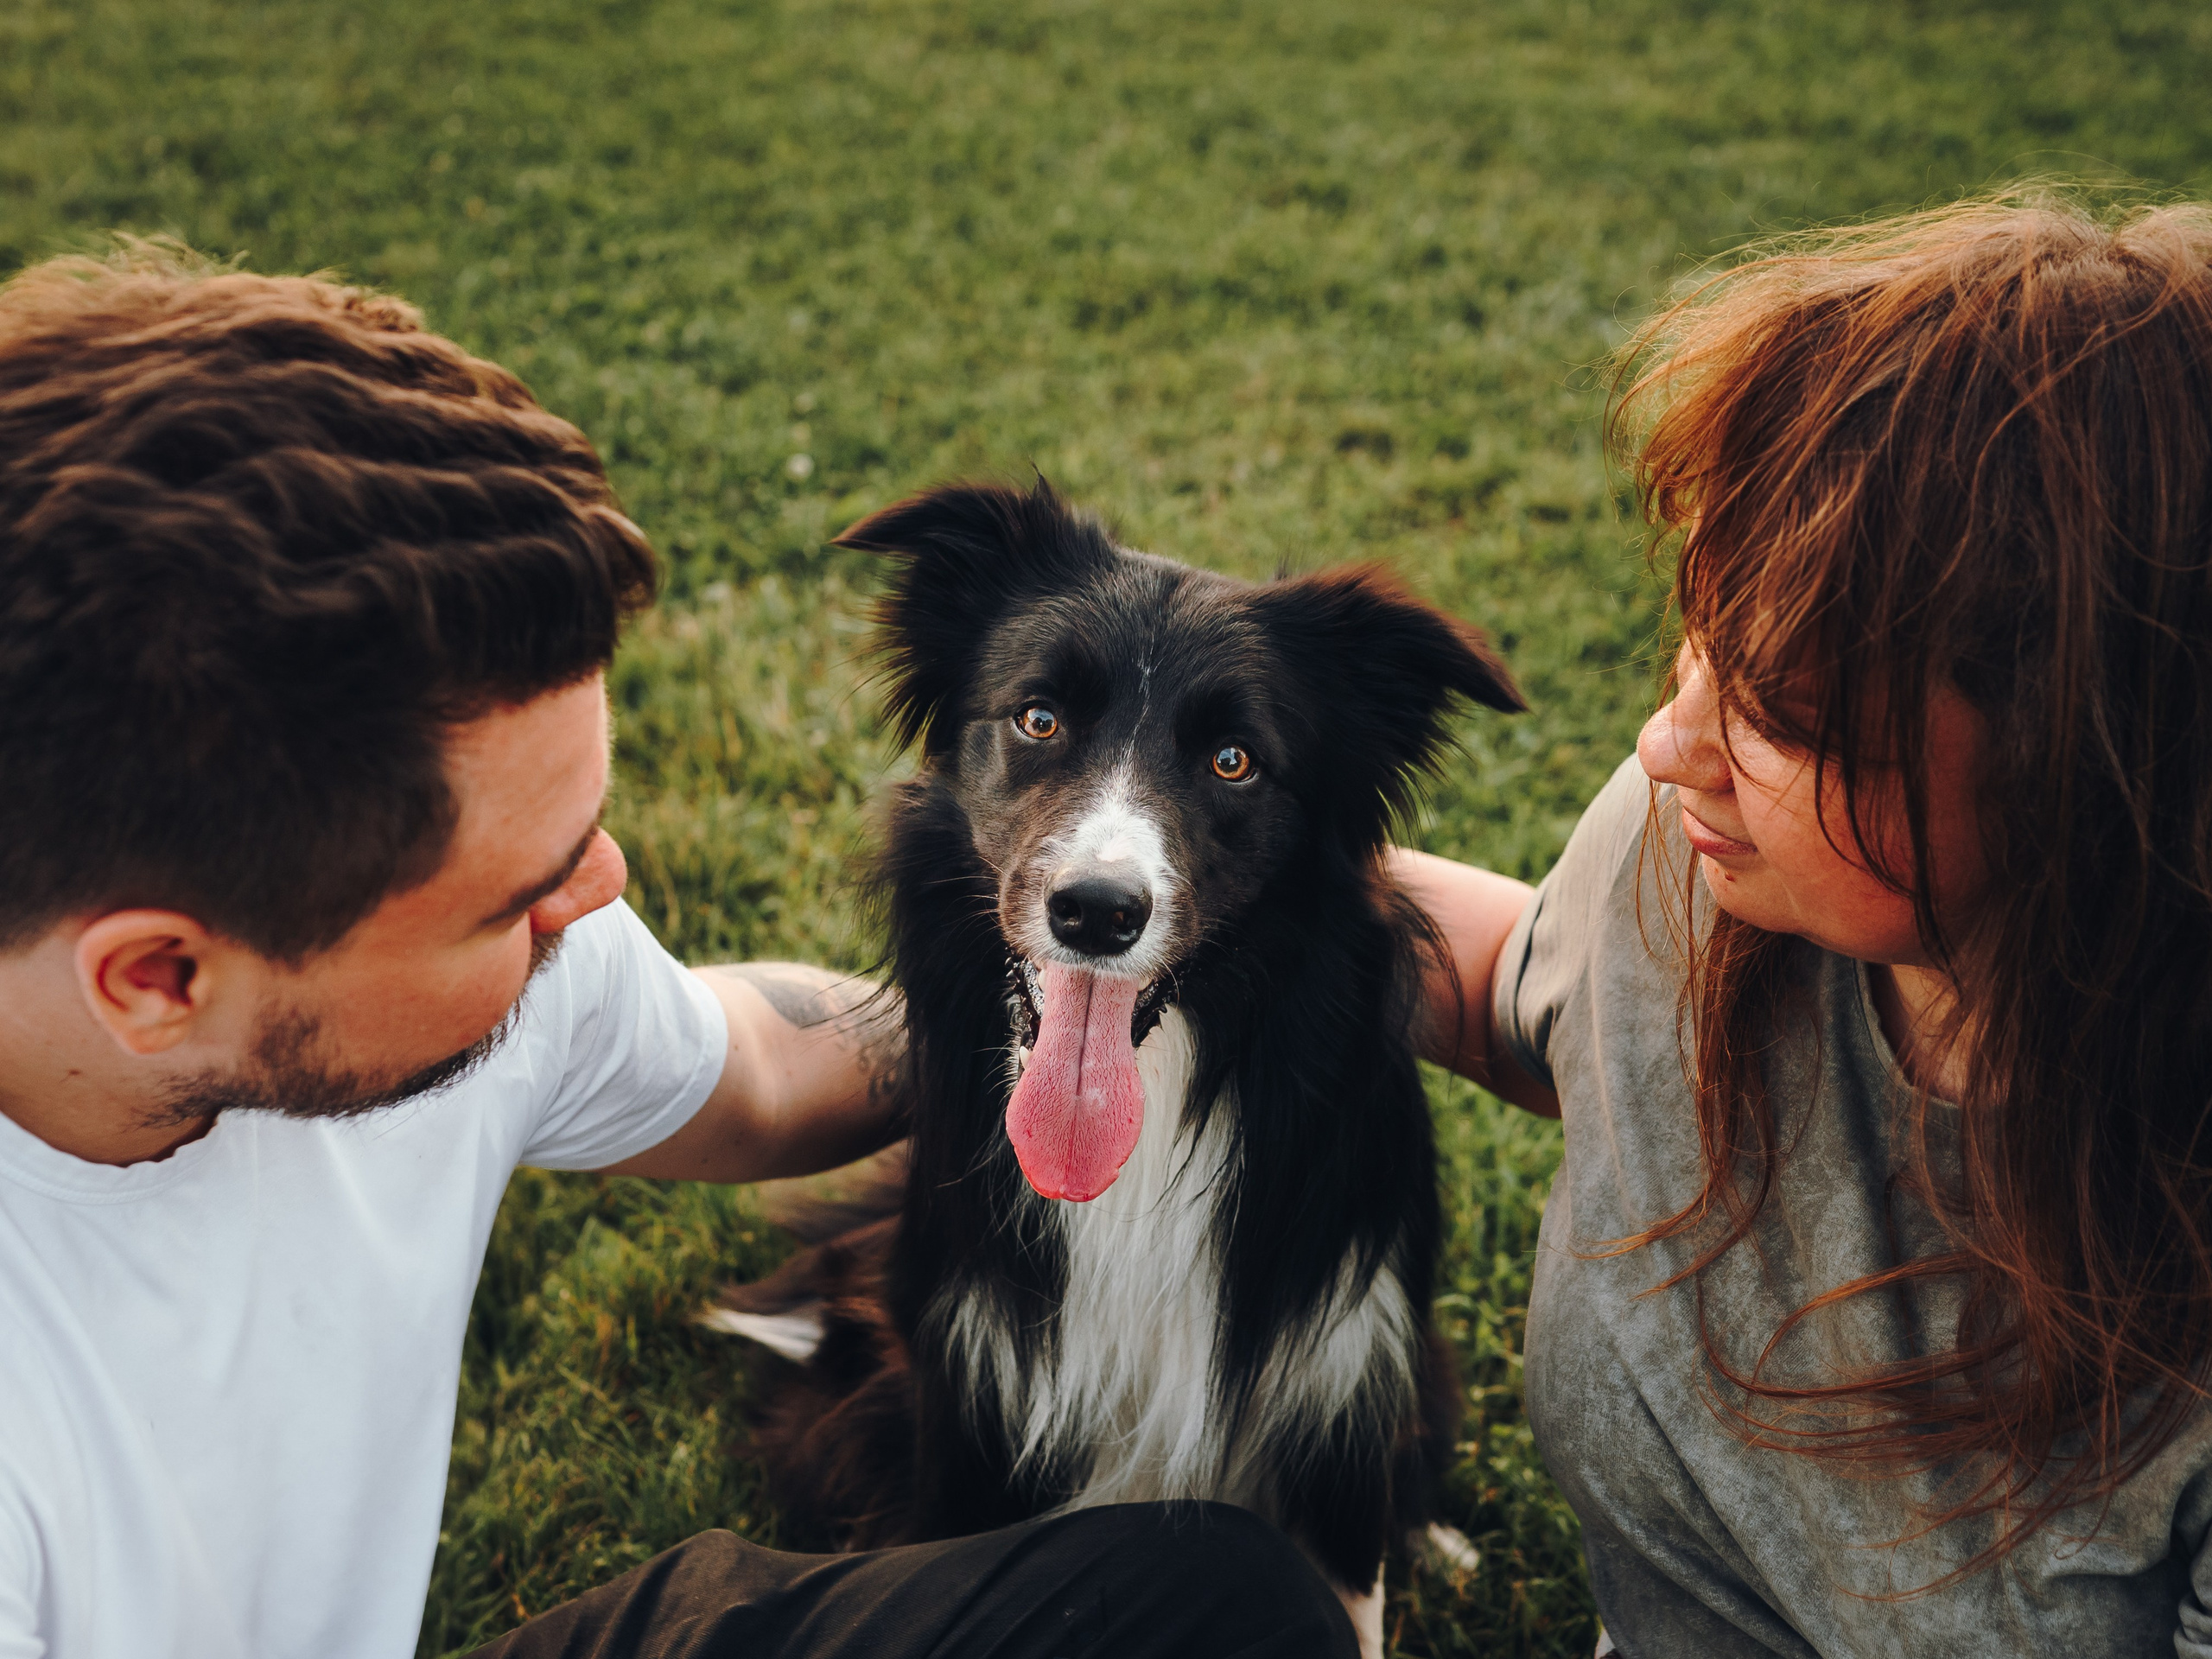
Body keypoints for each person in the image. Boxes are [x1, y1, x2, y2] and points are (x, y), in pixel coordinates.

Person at [0, 248, 1356, 1659]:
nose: (599, 893)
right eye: (511, 897)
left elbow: (767, 1068)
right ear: (158, 980)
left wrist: (1225, 994)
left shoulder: (427, 979)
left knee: (1220, 1606)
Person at [1397, 195, 2212, 1655]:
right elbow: (1513, 988)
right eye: (1703, 637)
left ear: (2094, 770)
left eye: (1779, 713)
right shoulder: (1693, 866)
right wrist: (958, 1009)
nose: (1669, 743)